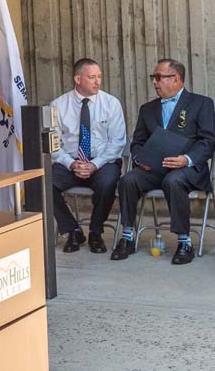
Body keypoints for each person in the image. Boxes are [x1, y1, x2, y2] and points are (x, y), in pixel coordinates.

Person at [111, 58, 215, 265]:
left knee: (173, 180)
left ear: (175, 79)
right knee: (128, 180)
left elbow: (208, 140)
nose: (154, 82)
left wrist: (186, 159)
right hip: (153, 169)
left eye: (158, 77)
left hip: (187, 169)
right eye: (153, 77)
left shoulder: (201, 103)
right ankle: (128, 236)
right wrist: (141, 159)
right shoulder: (147, 109)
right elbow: (137, 142)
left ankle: (184, 241)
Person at [51, 58, 126, 253]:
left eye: (99, 76)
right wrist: (71, 164)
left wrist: (94, 164)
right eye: (92, 77)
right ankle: (72, 230)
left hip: (103, 162)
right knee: (44, 183)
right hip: (70, 162)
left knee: (108, 181)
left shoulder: (111, 103)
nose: (97, 82)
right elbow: (52, 145)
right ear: (78, 79)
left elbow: (117, 142)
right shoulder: (58, 105)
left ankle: (95, 232)